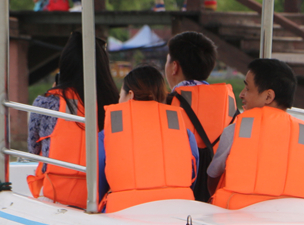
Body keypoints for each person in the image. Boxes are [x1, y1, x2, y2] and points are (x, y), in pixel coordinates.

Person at [207, 58, 304, 210]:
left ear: (268, 97)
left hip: (237, 218)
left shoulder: (235, 130)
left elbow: (212, 177)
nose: (241, 94)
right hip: (291, 218)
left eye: (247, 88)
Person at [27, 32, 120, 208]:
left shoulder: (46, 102)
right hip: (105, 198)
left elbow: (33, 149)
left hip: (57, 194)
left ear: (65, 65)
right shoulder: (115, 105)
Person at [96, 64, 199, 212]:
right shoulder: (185, 134)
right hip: (178, 211)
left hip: (124, 213)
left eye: (120, 96)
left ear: (130, 95)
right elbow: (192, 175)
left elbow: (98, 185)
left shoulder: (106, 136)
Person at [163, 31, 237, 202]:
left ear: (174, 67)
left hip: (177, 194)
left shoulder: (165, 104)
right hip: (217, 194)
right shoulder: (232, 106)